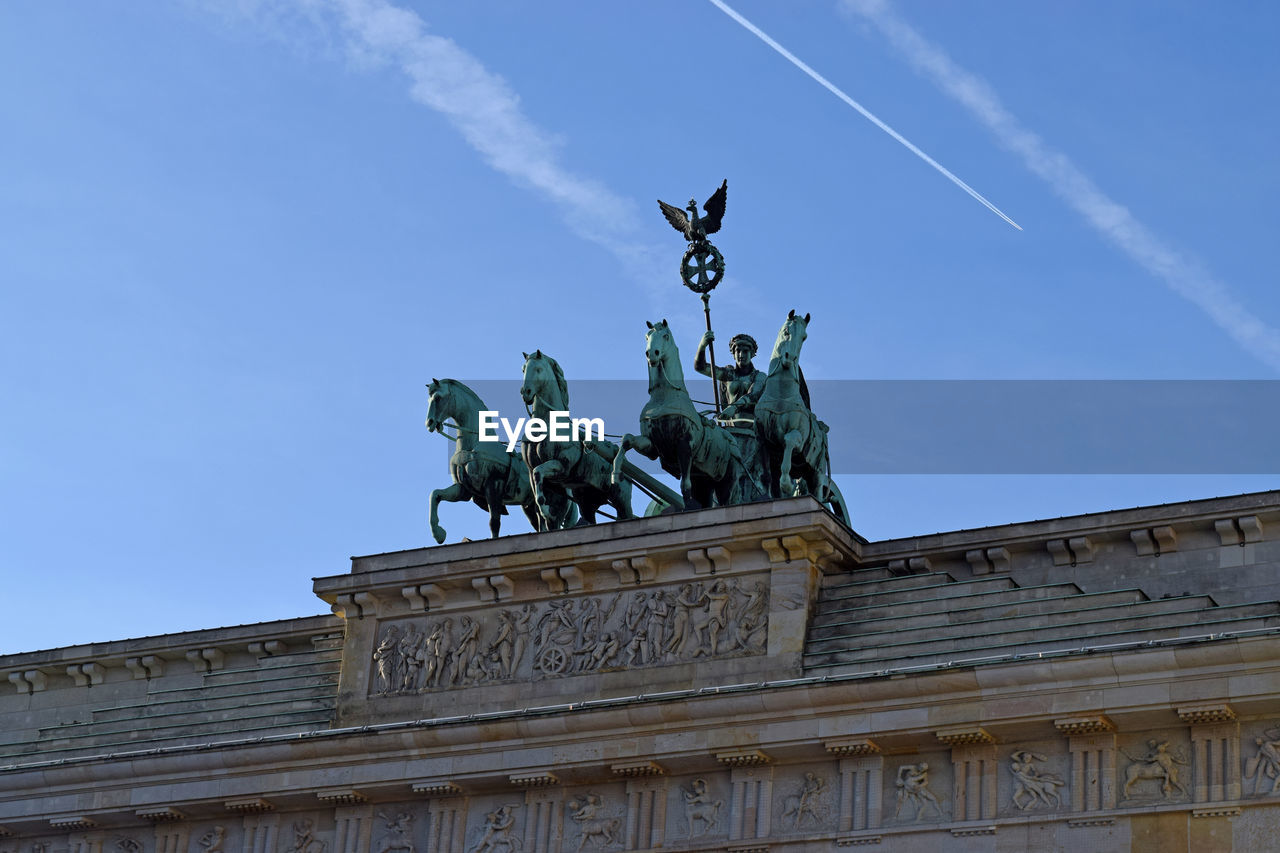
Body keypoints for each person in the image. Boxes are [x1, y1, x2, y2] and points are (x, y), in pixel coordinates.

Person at [694, 331, 766, 419]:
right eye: (738, 351)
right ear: (733, 355)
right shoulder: (728, 374)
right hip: (729, 426)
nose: (741, 355)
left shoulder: (760, 376)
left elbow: (753, 395)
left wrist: (733, 408)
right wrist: (702, 345)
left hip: (753, 428)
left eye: (745, 351)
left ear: (752, 354)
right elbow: (700, 367)